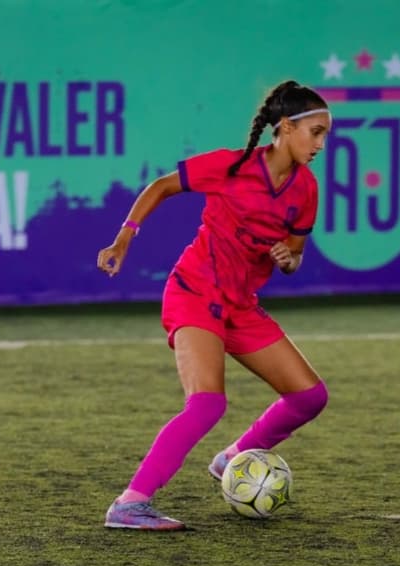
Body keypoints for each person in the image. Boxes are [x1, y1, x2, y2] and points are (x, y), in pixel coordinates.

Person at [97, 80, 331, 531]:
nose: (321, 143)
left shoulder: (306, 189)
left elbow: (294, 254)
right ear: (285, 128)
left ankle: (232, 458)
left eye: (325, 135)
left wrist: (288, 257)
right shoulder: (233, 166)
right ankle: (130, 503)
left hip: (241, 307)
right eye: (315, 132)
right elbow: (163, 186)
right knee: (207, 404)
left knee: (309, 396)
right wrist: (124, 238)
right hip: (195, 294)